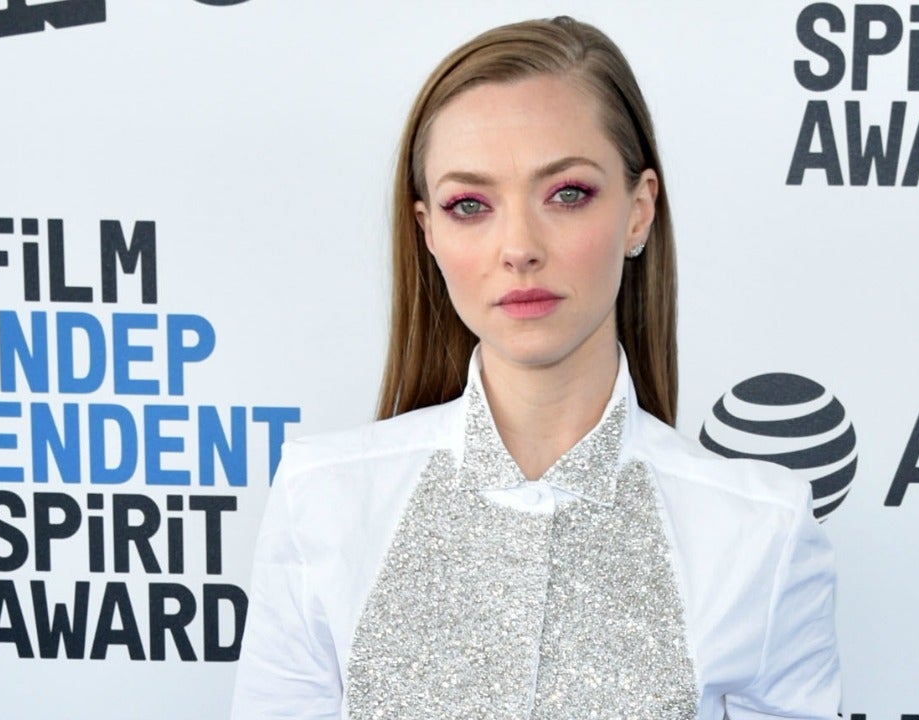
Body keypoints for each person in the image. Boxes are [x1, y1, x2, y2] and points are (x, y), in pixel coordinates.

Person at [231, 16, 840, 720]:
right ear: (428, 232)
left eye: (567, 194)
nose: (518, 246)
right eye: (469, 205)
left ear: (639, 211)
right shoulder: (323, 498)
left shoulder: (762, 531)